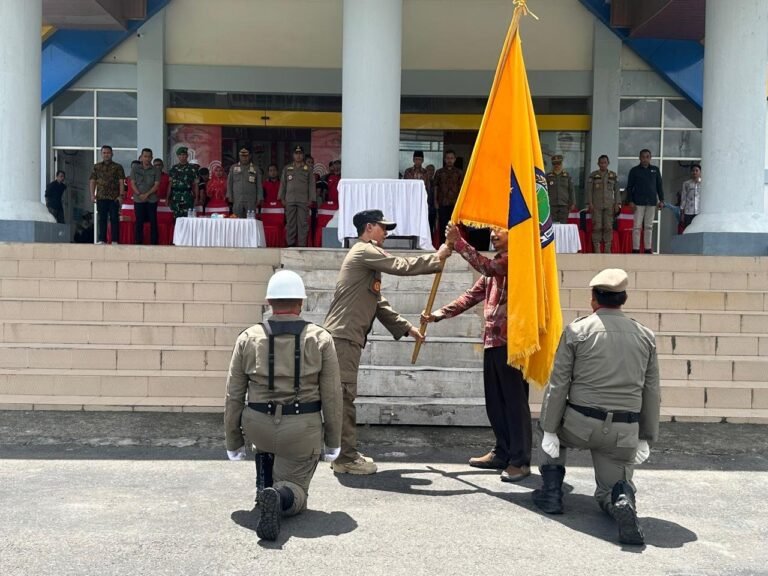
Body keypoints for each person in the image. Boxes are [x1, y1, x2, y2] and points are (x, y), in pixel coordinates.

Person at [532, 268, 660, 546]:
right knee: (609, 488)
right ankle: (621, 500)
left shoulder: (577, 330)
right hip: (623, 432)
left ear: (593, 299)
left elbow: (558, 385)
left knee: (547, 430)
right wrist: (645, 436)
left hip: (579, 424)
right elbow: (651, 391)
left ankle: (552, 493)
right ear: (624, 298)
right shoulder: (646, 336)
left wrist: (550, 429)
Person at [323, 209, 452, 474]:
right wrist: (437, 258)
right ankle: (344, 459)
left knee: (344, 397)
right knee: (344, 398)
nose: (387, 232)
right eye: (383, 227)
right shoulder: (364, 250)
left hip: (347, 337)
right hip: (343, 338)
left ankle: (344, 453)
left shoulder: (365, 260)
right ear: (369, 228)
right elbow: (400, 266)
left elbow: (378, 304)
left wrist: (407, 329)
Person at [224, 270, 342, 541]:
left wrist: (233, 441)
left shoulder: (248, 337)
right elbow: (333, 395)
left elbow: (233, 394)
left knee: (266, 445)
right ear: (301, 303)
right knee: (296, 489)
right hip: (301, 429)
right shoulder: (320, 338)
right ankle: (279, 495)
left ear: (269, 302)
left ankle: (264, 486)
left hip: (257, 427)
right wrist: (333, 441)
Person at [421, 223, 531, 481]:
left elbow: (487, 267)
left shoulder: (515, 260)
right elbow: (472, 295)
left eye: (499, 230)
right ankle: (502, 451)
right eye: (491, 230)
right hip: (493, 341)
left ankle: (520, 460)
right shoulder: (495, 265)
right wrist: (439, 314)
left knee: (515, 404)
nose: (493, 235)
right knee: (495, 402)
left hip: (513, 343)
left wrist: (458, 243)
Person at [625, 149, 664, 253]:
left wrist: (661, 200)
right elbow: (629, 187)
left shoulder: (655, 170)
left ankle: (647, 249)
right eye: (643, 157)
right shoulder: (634, 170)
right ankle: (636, 249)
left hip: (651, 202)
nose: (645, 159)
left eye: (647, 157)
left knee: (649, 226)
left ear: (650, 158)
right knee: (637, 226)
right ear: (639, 158)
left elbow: (659, 186)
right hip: (638, 202)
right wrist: (630, 201)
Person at [89, 144, 125, 244]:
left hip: (114, 198)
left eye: (108, 153)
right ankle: (102, 239)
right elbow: (92, 181)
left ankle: (115, 240)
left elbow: (121, 181)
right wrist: (92, 194)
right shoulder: (97, 167)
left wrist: (121, 196)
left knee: (114, 218)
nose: (106, 155)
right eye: (104, 153)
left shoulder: (118, 167)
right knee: (102, 219)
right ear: (101, 154)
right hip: (101, 197)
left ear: (112, 154)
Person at [279, 145, 314, 247]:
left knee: (303, 224)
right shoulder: (287, 168)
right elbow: (283, 184)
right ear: (293, 155)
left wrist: (311, 199)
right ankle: (290, 244)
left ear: (303, 155)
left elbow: (311, 185)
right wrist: (282, 197)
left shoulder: (308, 169)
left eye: (300, 154)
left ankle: (302, 245)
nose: (298, 156)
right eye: (296, 154)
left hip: (303, 200)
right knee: (290, 224)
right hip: (290, 200)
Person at [586, 155, 620, 253]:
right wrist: (590, 203)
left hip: (609, 205)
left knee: (608, 226)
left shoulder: (613, 176)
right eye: (601, 163)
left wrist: (617, 203)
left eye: (605, 163)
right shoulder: (593, 175)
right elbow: (589, 191)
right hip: (596, 205)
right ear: (598, 164)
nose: (603, 165)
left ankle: (607, 248)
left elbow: (617, 191)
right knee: (597, 226)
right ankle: (597, 248)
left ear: (608, 163)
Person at [130, 148, 161, 245]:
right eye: (145, 156)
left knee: (153, 221)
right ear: (141, 157)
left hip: (151, 200)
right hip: (138, 199)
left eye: (149, 157)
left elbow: (156, 185)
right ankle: (138, 242)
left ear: (152, 158)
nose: (147, 159)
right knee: (139, 221)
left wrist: (146, 195)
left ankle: (154, 242)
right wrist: (140, 194)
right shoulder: (135, 169)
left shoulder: (156, 170)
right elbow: (132, 183)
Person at [433, 150, 464, 244]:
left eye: (451, 158)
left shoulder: (459, 172)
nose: (449, 160)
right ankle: (443, 244)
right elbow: (435, 187)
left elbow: (462, 188)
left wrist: (462, 203)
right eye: (447, 158)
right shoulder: (439, 172)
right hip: (442, 203)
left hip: (455, 204)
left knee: (454, 226)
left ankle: (455, 244)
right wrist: (435, 201)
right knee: (443, 225)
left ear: (454, 159)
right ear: (444, 159)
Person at [227, 146, 262, 217]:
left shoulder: (256, 168)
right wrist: (229, 196)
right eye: (242, 156)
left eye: (246, 156)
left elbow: (259, 185)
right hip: (237, 199)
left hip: (251, 199)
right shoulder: (233, 168)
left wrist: (259, 197)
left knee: (250, 221)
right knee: (237, 221)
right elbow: (229, 183)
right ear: (239, 156)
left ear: (250, 156)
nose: (244, 158)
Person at [168, 147, 199, 219]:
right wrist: (168, 198)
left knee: (188, 218)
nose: (182, 157)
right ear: (178, 156)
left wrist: (197, 198)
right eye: (180, 155)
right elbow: (170, 184)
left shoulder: (193, 169)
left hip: (187, 196)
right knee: (176, 219)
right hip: (176, 197)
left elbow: (196, 184)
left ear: (187, 156)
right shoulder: (173, 169)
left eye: (184, 155)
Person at [545, 154, 575, 224]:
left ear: (561, 164)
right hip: (552, 204)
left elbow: (571, 190)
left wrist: (573, 203)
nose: (557, 165)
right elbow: (545, 191)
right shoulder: (547, 176)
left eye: (558, 163)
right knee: (552, 224)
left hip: (564, 205)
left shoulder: (567, 176)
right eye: (554, 163)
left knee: (563, 224)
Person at [679, 164, 701, 229]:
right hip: (688, 212)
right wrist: (682, 213)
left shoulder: (704, 183)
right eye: (693, 171)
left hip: (700, 212)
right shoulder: (686, 183)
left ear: (700, 172)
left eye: (697, 170)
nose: (695, 172)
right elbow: (683, 198)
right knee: (688, 229)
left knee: (698, 229)